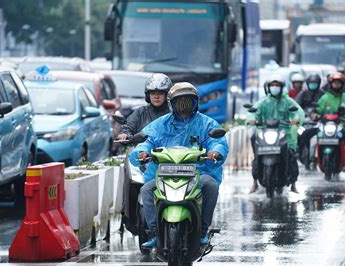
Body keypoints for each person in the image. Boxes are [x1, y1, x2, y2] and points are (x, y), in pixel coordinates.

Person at [130, 82, 229, 248]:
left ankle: (204, 230)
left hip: (198, 173)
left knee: (211, 185)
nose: (183, 104)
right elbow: (147, 139)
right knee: (146, 189)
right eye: (179, 100)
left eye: (188, 100)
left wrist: (215, 152)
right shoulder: (160, 124)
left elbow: (218, 141)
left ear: (195, 103)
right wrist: (142, 151)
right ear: (171, 103)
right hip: (164, 174)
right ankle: (154, 232)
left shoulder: (207, 123)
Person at [117, 73, 172, 233]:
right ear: (148, 95)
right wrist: (125, 134)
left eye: (160, 93)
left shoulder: (174, 113)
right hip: (144, 160)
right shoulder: (140, 112)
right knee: (132, 184)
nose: (156, 96)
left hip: (170, 160)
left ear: (166, 95)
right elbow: (129, 126)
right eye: (153, 93)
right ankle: (129, 215)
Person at [249, 76, 305, 193]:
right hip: (266, 132)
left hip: (285, 133)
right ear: (269, 88)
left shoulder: (288, 101)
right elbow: (253, 112)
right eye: (272, 86)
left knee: (291, 156)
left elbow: (298, 112)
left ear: (282, 87)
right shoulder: (264, 102)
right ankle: (254, 182)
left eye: (277, 86)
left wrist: (296, 119)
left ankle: (293, 183)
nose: (275, 88)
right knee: (256, 150)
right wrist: (252, 119)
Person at [300, 72, 345, 166]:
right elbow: (317, 109)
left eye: (338, 83)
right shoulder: (324, 98)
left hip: (342, 128)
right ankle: (308, 157)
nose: (336, 85)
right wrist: (314, 115)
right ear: (330, 84)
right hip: (324, 127)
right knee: (304, 135)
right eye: (334, 83)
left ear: (342, 84)